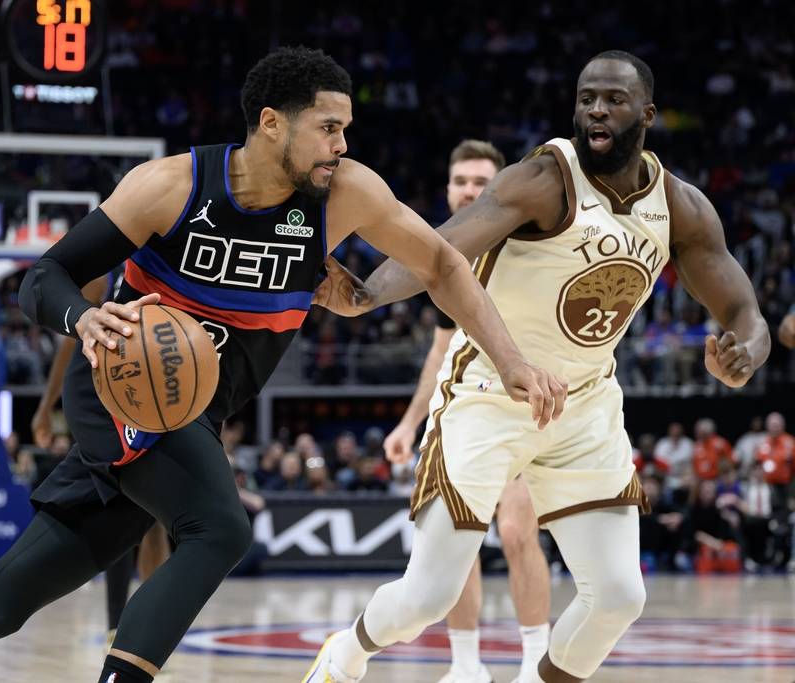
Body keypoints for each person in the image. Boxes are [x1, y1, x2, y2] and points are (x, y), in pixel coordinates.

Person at [0, 47, 563, 683]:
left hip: (186, 411)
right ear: (271, 123)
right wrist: (84, 317)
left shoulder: (346, 195)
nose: (342, 145)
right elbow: (44, 276)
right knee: (219, 526)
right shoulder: (172, 186)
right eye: (328, 128)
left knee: (0, 603)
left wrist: (502, 357)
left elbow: (442, 262)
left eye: (345, 129)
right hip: (119, 383)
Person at [305, 50, 770, 682]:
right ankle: (347, 653)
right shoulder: (545, 178)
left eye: (613, 100)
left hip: (584, 405)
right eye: (586, 98)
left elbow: (744, 311)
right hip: (489, 392)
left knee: (618, 596)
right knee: (428, 597)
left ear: (648, 115)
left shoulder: (679, 207)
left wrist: (746, 356)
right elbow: (441, 248)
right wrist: (366, 296)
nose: (596, 110)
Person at [382, 139, 551, 683]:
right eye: (461, 182)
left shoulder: (534, 239)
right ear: (448, 189)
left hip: (527, 407)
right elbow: (441, 352)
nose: (470, 191)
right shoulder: (450, 253)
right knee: (459, 537)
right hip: (467, 408)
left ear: (501, 187)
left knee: (518, 531)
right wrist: (409, 423)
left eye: (481, 182)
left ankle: (535, 662)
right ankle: (465, 665)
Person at [30, 272, 170, 645]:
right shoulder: (104, 277)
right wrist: (46, 405)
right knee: (123, 507)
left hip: (148, 396)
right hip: (102, 401)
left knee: (154, 516)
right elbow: (69, 344)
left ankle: (147, 629)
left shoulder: (170, 270)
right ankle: (118, 623)